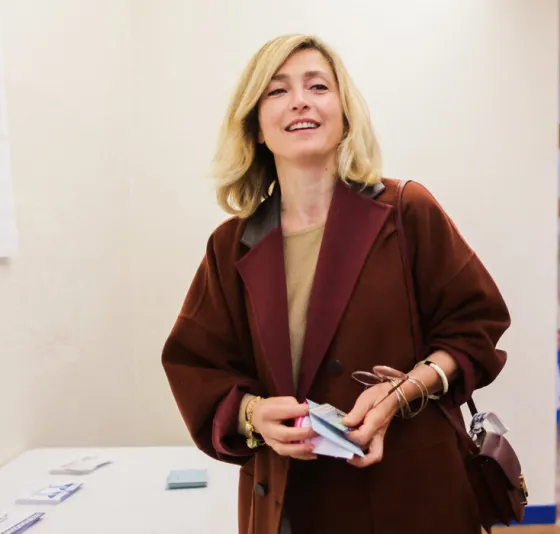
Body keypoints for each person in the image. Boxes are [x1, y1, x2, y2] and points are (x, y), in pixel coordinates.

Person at [161, 33, 511, 534]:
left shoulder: (406, 210)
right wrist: (253, 414)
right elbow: (197, 365)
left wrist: (405, 391)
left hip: (411, 492)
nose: (300, 99)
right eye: (277, 91)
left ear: (344, 112)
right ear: (257, 127)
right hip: (289, 502)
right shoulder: (230, 245)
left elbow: (476, 325)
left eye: (317, 86)